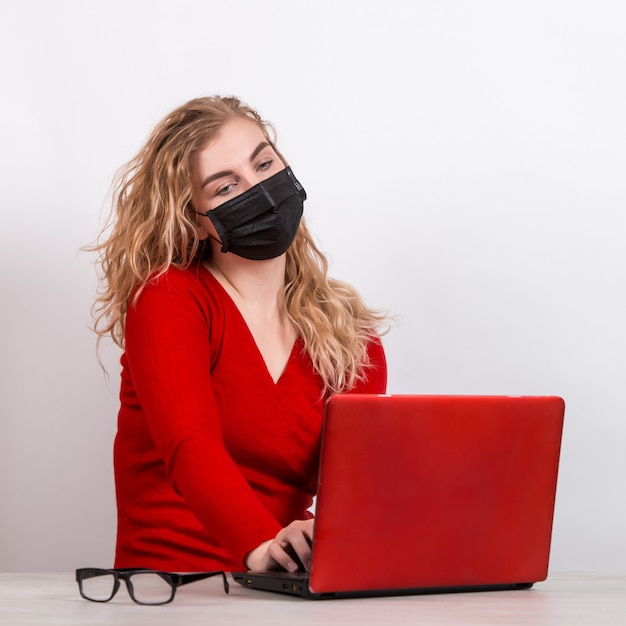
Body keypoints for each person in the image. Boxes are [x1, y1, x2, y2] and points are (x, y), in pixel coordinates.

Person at [91, 95, 389, 574]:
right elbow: (190, 445)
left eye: (265, 163)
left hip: (293, 588)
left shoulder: (351, 336)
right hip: (173, 586)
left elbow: (353, 489)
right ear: (195, 219)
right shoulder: (170, 297)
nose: (261, 189)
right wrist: (262, 549)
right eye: (226, 187)